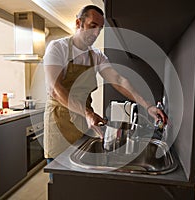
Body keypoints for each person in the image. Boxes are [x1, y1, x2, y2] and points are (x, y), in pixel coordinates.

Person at [43, 5, 167, 168]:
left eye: (100, 29)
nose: (96, 33)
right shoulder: (58, 48)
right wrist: (87, 113)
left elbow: (119, 80)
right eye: (92, 26)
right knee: (60, 175)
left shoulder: (96, 56)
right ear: (79, 23)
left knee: (79, 174)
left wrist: (148, 106)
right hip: (59, 122)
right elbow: (55, 89)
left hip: (84, 122)